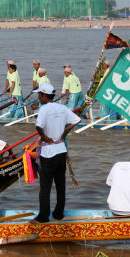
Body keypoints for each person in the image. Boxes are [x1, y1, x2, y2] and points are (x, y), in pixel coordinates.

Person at [30, 83, 81, 223]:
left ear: (44, 95)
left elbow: (38, 126)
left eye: (39, 94)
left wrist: (44, 137)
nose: (38, 97)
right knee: (60, 185)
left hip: (48, 152)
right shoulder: (62, 107)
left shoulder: (44, 109)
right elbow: (77, 119)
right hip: (61, 150)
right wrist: (64, 133)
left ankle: (43, 217)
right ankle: (58, 214)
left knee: (45, 187)